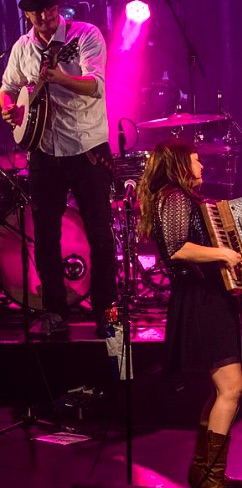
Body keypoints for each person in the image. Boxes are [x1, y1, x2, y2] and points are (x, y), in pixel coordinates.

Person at [136, 138, 242, 488]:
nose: (202, 167)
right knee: (231, 388)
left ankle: (204, 472)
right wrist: (223, 253)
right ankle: (210, 480)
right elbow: (177, 248)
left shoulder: (180, 198)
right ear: (181, 165)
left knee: (220, 390)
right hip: (199, 299)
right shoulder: (175, 197)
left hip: (207, 297)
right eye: (196, 161)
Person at [0, 0, 118, 337]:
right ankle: (54, 311)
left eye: (49, 9)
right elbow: (6, 89)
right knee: (46, 237)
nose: (44, 17)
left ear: (58, 8)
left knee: (100, 234)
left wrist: (58, 77)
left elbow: (95, 85)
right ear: (26, 14)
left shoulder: (84, 36)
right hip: (43, 151)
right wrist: (9, 110)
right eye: (36, 12)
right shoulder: (22, 47)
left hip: (87, 148)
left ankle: (106, 308)